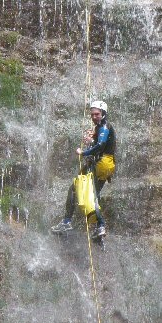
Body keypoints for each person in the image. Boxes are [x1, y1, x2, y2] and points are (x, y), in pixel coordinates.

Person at [51, 100, 116, 238]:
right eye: (92, 114)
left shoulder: (104, 126)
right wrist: (91, 140)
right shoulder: (100, 126)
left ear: (103, 113)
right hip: (105, 164)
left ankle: (72, 222)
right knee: (90, 193)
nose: (94, 117)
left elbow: (101, 145)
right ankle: (99, 228)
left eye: (97, 114)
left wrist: (83, 153)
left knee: (82, 192)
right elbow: (101, 143)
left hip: (102, 164)